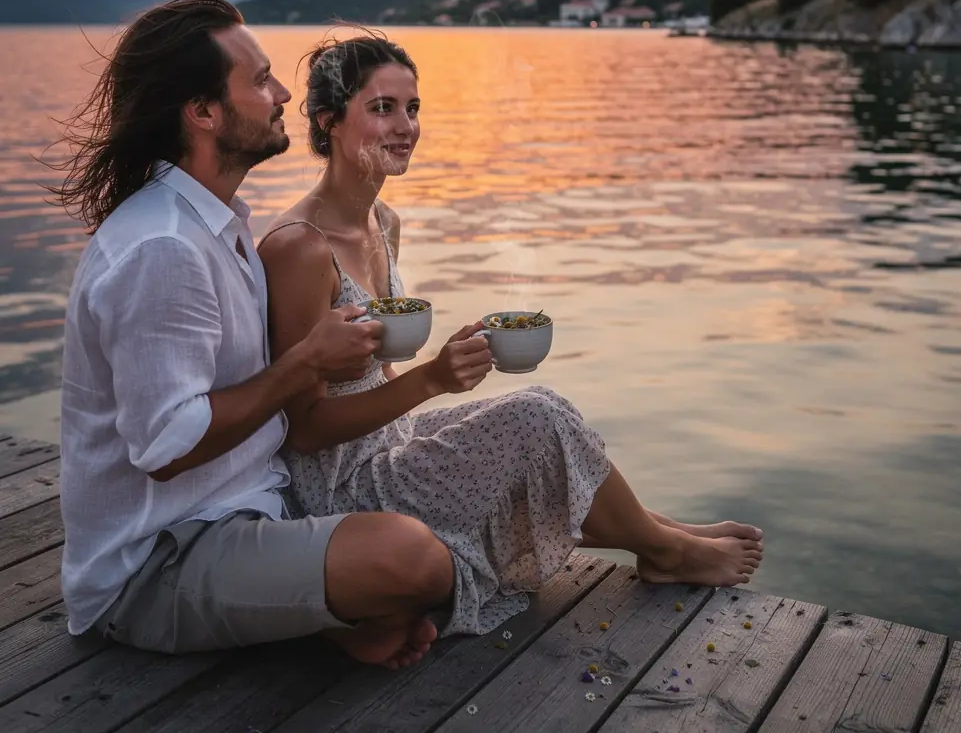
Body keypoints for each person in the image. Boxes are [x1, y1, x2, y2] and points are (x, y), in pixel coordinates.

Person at [257, 31, 765, 638]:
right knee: (532, 420)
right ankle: (666, 550)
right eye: (382, 108)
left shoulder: (382, 222)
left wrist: (445, 369)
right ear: (328, 120)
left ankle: (658, 531)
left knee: (546, 405)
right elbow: (305, 428)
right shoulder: (298, 249)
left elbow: (371, 373)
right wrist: (433, 381)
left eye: (412, 108)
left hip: (388, 438)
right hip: (340, 489)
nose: (404, 127)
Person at [54, 0, 460, 668]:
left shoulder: (218, 226)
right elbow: (167, 446)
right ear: (204, 111)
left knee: (421, 525)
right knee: (413, 558)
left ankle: (328, 617)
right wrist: (305, 364)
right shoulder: (163, 247)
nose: (281, 95)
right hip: (158, 563)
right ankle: (332, 617)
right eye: (261, 80)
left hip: (253, 513)